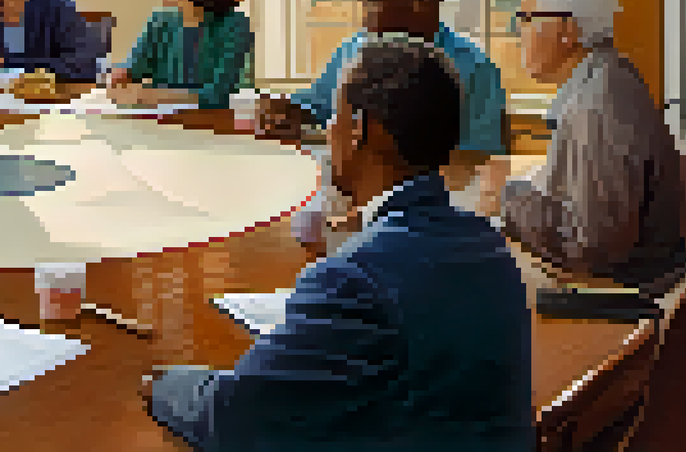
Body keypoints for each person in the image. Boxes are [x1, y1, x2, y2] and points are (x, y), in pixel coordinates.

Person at [146, 40, 532, 451]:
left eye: (336, 116)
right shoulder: (492, 249)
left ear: (362, 130)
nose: (328, 131)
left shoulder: (353, 279)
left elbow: (237, 420)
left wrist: (168, 384)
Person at [257, 0, 507, 246]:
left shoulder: (475, 69)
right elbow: (319, 104)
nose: (364, 14)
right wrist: (288, 110)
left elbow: (476, 162)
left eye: (374, 1)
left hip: (426, 225)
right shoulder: (353, 48)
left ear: (422, 2)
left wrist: (376, 198)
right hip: (345, 202)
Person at [478, 0, 686, 295]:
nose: (518, 31)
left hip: (620, 302)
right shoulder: (600, 78)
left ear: (568, 30)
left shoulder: (599, 103)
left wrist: (507, 197)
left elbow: (593, 248)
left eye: (527, 18)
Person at [107, 0, 253, 109]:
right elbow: (133, 69)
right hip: (160, 123)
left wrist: (146, 95)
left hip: (211, 125)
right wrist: (120, 77)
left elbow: (217, 96)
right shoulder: (159, 21)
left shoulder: (235, 25)